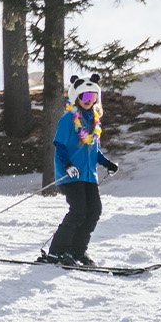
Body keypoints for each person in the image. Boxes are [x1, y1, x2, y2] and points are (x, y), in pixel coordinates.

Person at [42, 74, 120, 266]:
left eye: (92, 97)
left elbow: (93, 150)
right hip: (71, 175)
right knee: (78, 210)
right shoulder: (68, 119)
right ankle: (56, 252)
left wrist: (107, 163)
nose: (88, 101)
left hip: (88, 176)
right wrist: (67, 165)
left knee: (94, 210)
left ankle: (77, 252)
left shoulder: (94, 121)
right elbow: (59, 145)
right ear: (76, 97)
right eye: (84, 97)